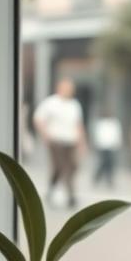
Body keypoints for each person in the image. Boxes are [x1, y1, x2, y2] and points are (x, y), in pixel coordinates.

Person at [32, 78, 85, 208]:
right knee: (62, 166)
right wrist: (45, 135)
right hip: (56, 140)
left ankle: (51, 189)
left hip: (70, 141)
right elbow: (38, 119)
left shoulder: (74, 105)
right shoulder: (51, 103)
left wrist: (82, 141)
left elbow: (78, 124)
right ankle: (71, 196)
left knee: (72, 166)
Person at [91, 105, 123, 189]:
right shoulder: (101, 123)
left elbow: (117, 134)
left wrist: (117, 144)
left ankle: (109, 179)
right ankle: (97, 177)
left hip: (111, 146)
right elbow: (98, 134)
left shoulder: (114, 123)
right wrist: (97, 144)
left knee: (110, 163)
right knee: (103, 162)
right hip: (102, 146)